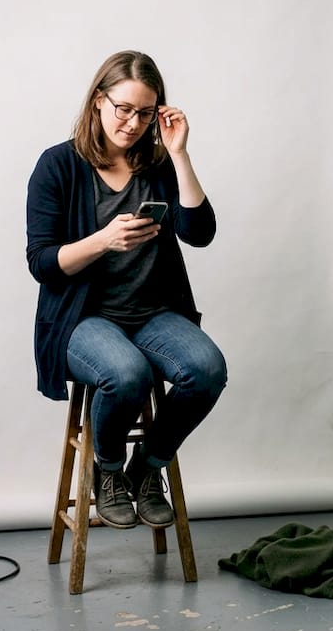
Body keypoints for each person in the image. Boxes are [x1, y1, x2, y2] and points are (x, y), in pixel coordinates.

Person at [25, 50, 227, 530]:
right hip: (82, 320)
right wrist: (102, 240)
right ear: (99, 101)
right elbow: (42, 263)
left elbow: (200, 232)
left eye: (145, 113)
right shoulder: (57, 166)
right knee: (127, 374)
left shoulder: (157, 164)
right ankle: (108, 471)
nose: (133, 123)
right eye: (123, 109)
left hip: (153, 313)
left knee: (207, 370)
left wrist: (179, 154)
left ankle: (146, 468)